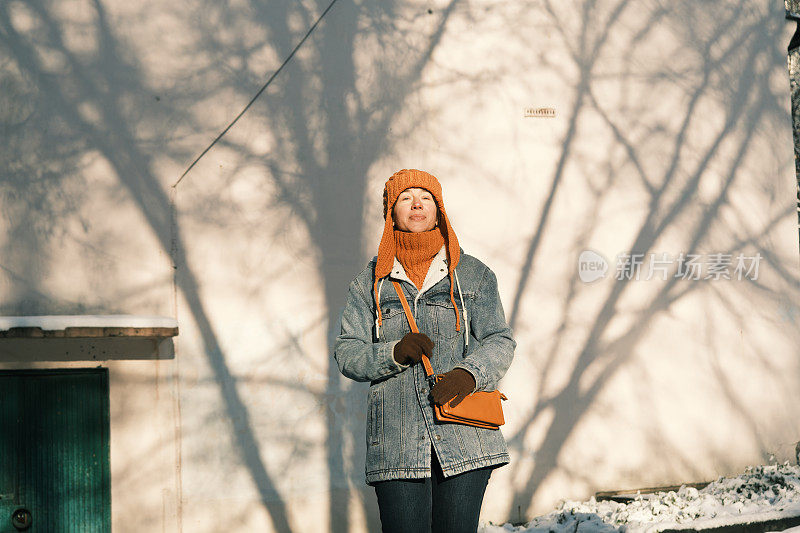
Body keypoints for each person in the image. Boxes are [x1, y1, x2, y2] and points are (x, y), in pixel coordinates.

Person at [334, 169, 516, 533]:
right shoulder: (368, 283)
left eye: (426, 197)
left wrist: (469, 374)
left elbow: (500, 340)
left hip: (465, 438)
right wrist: (393, 353)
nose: (416, 204)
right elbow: (347, 351)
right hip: (396, 440)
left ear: (438, 209)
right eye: (405, 198)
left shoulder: (473, 275)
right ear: (392, 212)